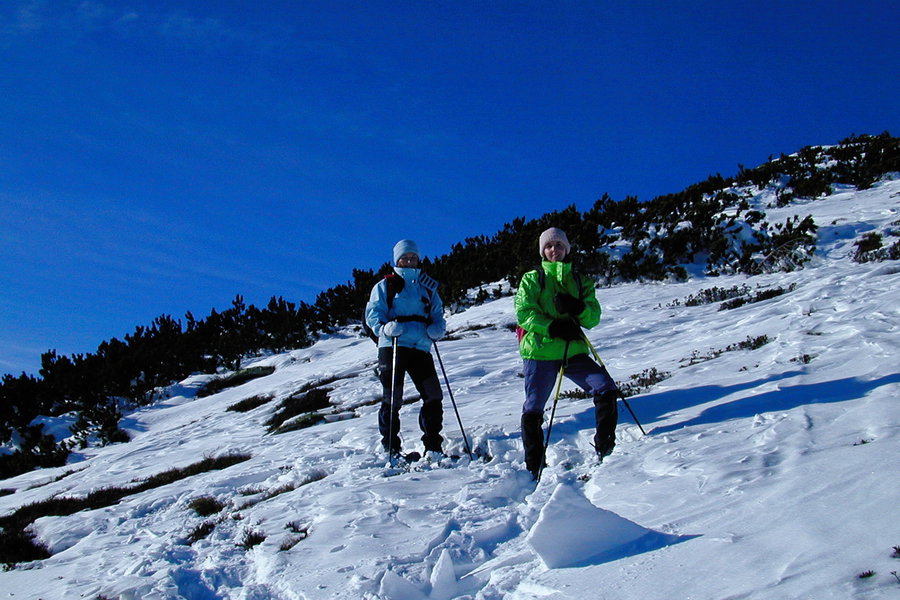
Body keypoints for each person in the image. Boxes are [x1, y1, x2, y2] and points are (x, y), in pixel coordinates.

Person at [514, 227, 619, 479]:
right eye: (549, 246)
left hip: (573, 349)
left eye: (559, 245)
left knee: (605, 388)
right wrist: (552, 326)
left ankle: (607, 449)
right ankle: (534, 464)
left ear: (566, 248)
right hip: (539, 351)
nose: (554, 250)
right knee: (534, 406)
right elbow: (524, 312)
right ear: (543, 251)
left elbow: (593, 317)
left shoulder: (580, 281)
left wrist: (578, 307)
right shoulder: (532, 279)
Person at [365, 239, 447, 459]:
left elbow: (437, 313)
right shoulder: (385, 286)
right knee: (393, 398)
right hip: (393, 345)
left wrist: (438, 328)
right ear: (397, 260)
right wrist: (384, 328)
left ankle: (433, 445)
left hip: (421, 346)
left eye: (413, 257)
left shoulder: (428, 287)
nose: (409, 261)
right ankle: (391, 446)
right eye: (405, 257)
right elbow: (373, 314)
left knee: (433, 396)